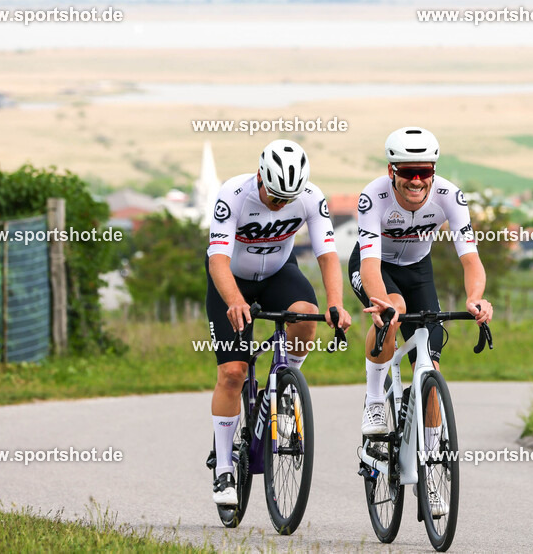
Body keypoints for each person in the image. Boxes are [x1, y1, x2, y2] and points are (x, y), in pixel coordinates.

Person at [348, 126, 494, 515]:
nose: (416, 180)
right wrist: (385, 306)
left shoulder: (449, 196)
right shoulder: (373, 197)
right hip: (375, 266)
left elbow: (471, 259)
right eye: (408, 172)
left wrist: (475, 298)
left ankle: (429, 468)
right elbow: (369, 265)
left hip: (418, 270)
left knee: (430, 371)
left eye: (424, 171)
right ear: (391, 171)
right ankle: (374, 401)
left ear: (433, 171)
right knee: (392, 311)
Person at [205, 139, 351, 505]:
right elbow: (218, 260)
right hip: (231, 279)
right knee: (233, 373)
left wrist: (335, 304)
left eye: (289, 199)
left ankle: (284, 390)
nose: (281, 204)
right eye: (275, 197)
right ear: (260, 177)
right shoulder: (233, 195)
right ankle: (223, 467)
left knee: (305, 315)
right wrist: (234, 301)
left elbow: (327, 255)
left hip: (278, 273)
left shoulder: (311, 197)